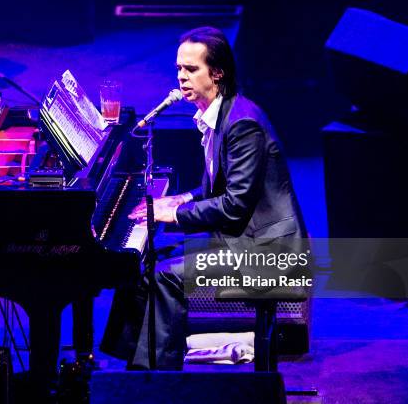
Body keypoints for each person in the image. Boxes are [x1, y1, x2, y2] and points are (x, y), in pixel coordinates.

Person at [100, 26, 307, 370]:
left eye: (191, 69)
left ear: (218, 72)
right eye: (179, 69)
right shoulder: (218, 115)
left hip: (267, 251)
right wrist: (180, 199)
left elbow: (235, 204)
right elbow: (219, 188)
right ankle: (138, 370)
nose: (181, 77)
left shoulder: (243, 124)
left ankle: (159, 381)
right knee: (142, 261)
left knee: (165, 276)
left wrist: (175, 215)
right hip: (244, 239)